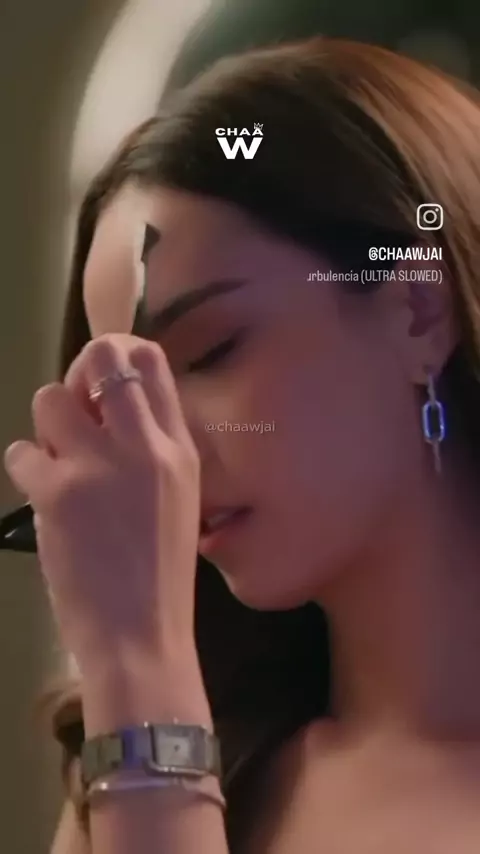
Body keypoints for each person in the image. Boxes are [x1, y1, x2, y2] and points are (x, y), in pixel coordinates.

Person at [4, 35, 480, 854]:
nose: (159, 449)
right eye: (128, 394)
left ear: (417, 311)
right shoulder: (152, 764)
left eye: (213, 350)